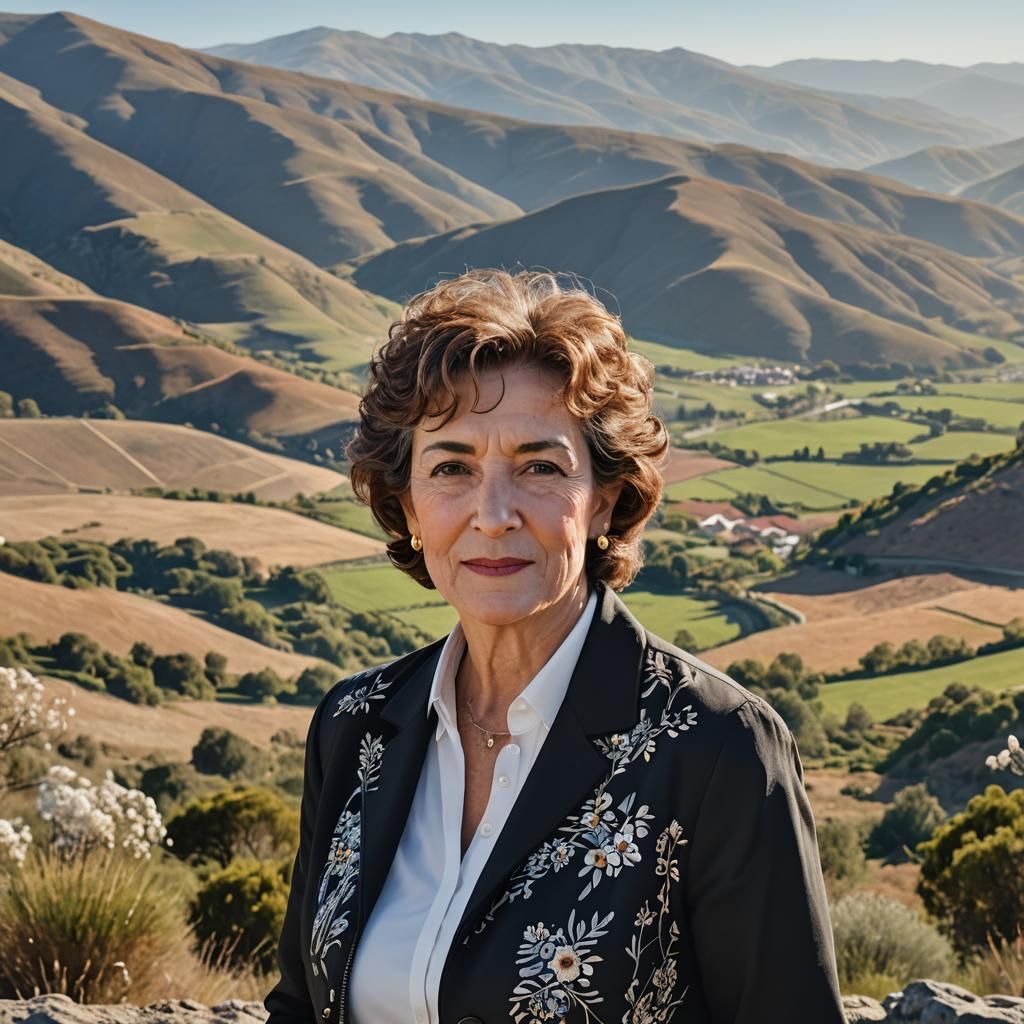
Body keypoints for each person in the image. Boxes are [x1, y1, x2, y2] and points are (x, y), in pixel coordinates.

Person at [264, 269, 846, 1024]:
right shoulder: (355, 725)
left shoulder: (717, 750)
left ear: (604, 498)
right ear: (405, 503)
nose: (494, 513)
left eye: (540, 467)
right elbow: (301, 1006)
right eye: (451, 468)